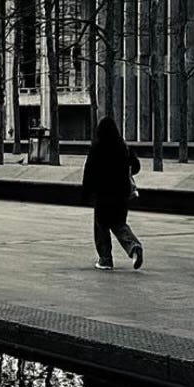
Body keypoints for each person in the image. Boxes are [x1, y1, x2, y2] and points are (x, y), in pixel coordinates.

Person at [82, 116, 144, 271]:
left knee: (101, 225)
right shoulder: (123, 146)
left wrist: (86, 193)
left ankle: (105, 259)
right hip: (121, 193)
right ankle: (134, 247)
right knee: (118, 224)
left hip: (103, 194)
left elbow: (89, 172)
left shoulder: (97, 147)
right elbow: (136, 166)